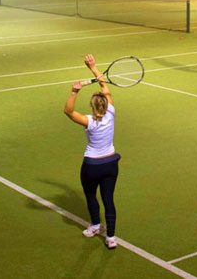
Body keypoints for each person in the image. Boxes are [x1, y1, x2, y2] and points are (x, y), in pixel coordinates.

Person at [63, 54, 120, 250]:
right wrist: (94, 68)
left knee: (90, 195)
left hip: (92, 166)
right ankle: (111, 238)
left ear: (93, 106)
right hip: (111, 163)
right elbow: (105, 87)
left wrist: (74, 91)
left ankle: (96, 225)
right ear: (105, 103)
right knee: (108, 200)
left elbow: (68, 111)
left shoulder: (89, 121)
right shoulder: (111, 111)